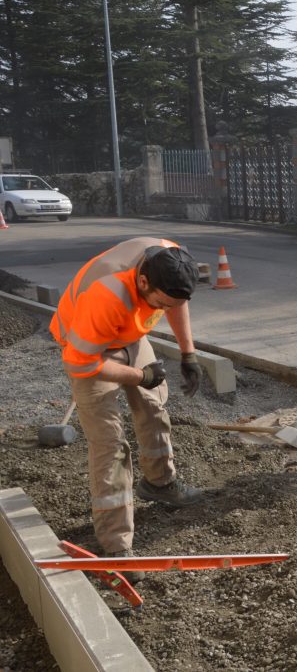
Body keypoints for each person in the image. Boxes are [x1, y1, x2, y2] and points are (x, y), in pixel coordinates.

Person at [49, 237, 205, 579]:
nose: (166, 307)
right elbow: (82, 364)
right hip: (88, 348)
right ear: (143, 282)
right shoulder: (106, 293)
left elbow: (176, 302)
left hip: (129, 334)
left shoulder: (170, 260)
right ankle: (117, 546)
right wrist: (139, 375)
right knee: (109, 444)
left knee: (154, 406)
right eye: (161, 302)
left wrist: (188, 353)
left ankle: (159, 484)